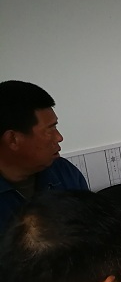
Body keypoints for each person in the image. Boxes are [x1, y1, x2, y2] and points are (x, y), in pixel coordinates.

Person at [0, 80, 88, 235]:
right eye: (50, 129)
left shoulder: (64, 172)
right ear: (13, 139)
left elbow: (91, 230)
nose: (59, 137)